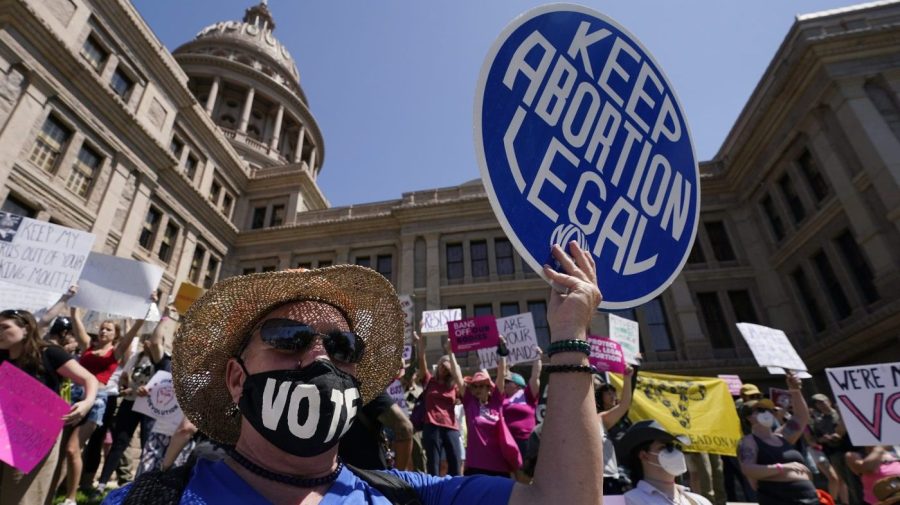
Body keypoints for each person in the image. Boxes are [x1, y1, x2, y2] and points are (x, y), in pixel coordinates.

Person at [103, 241, 604, 504]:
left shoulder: (409, 497)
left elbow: (567, 500)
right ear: (236, 379)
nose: (318, 359)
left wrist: (569, 334)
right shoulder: (147, 501)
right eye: (287, 339)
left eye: (342, 347)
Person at [0, 309, 99, 505]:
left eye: (4, 327)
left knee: (20, 496)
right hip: (4, 430)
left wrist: (87, 403)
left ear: (26, 329)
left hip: (34, 436)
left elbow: (89, 379)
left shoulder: (49, 353)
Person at [737, 372, 819, 505]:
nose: (767, 412)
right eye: (760, 410)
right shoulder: (749, 442)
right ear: (748, 417)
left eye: (768, 409)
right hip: (779, 498)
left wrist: (795, 390)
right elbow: (748, 469)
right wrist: (783, 467)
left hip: (809, 497)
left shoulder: (782, 436)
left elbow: (801, 417)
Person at [618, 419, 712, 505]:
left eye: (676, 447)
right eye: (665, 447)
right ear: (644, 456)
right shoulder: (629, 500)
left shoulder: (700, 501)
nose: (675, 453)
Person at [414, 330, 464, 476]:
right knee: (433, 464)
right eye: (442, 365)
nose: (443, 368)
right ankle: (434, 491)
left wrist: (451, 355)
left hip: (450, 427)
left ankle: (456, 491)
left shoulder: (453, 386)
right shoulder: (429, 381)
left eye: (447, 367)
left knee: (455, 462)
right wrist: (420, 342)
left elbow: (460, 380)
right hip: (431, 426)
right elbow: (422, 360)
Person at [461, 345, 516, 477]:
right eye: (475, 386)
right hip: (476, 466)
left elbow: (501, 374)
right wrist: (450, 352)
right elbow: (458, 377)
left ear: (488, 388)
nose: (478, 389)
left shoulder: (496, 403)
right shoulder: (470, 404)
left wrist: (502, 352)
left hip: (499, 466)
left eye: (481, 386)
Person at [339, 390, 414, 470]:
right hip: (340, 473)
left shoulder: (365, 386)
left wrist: (399, 475)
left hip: (369, 474)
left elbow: (404, 428)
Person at [812, 393, 862, 505]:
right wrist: (824, 439)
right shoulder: (818, 421)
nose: (821, 404)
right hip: (835, 453)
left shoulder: (841, 414)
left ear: (829, 401)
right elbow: (816, 438)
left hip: (850, 450)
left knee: (856, 479)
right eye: (818, 403)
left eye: (823, 401)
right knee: (846, 480)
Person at [598, 367, 634, 495]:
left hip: (630, 466)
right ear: (600, 398)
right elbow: (624, 403)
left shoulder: (624, 418)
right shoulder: (600, 418)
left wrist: (631, 372)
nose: (613, 396)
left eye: (614, 392)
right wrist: (628, 378)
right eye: (608, 393)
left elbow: (625, 402)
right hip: (613, 474)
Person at [501, 349, 541, 462]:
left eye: (507, 382)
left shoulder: (527, 395)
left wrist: (537, 358)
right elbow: (501, 376)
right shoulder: (504, 398)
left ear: (517, 385)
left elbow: (535, 377)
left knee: (525, 473)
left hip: (525, 440)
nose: (504, 384)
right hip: (507, 440)